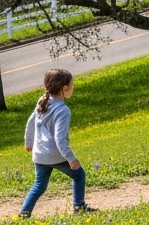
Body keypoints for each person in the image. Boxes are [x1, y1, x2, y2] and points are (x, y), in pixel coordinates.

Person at [18, 69, 94, 219]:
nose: (73, 88)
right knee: (79, 175)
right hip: (55, 155)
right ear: (64, 88)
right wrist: (71, 158)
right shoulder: (63, 110)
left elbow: (30, 122)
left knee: (39, 185)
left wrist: (29, 142)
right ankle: (79, 207)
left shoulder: (42, 101)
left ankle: (23, 214)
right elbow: (60, 139)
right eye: (72, 86)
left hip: (39, 154)